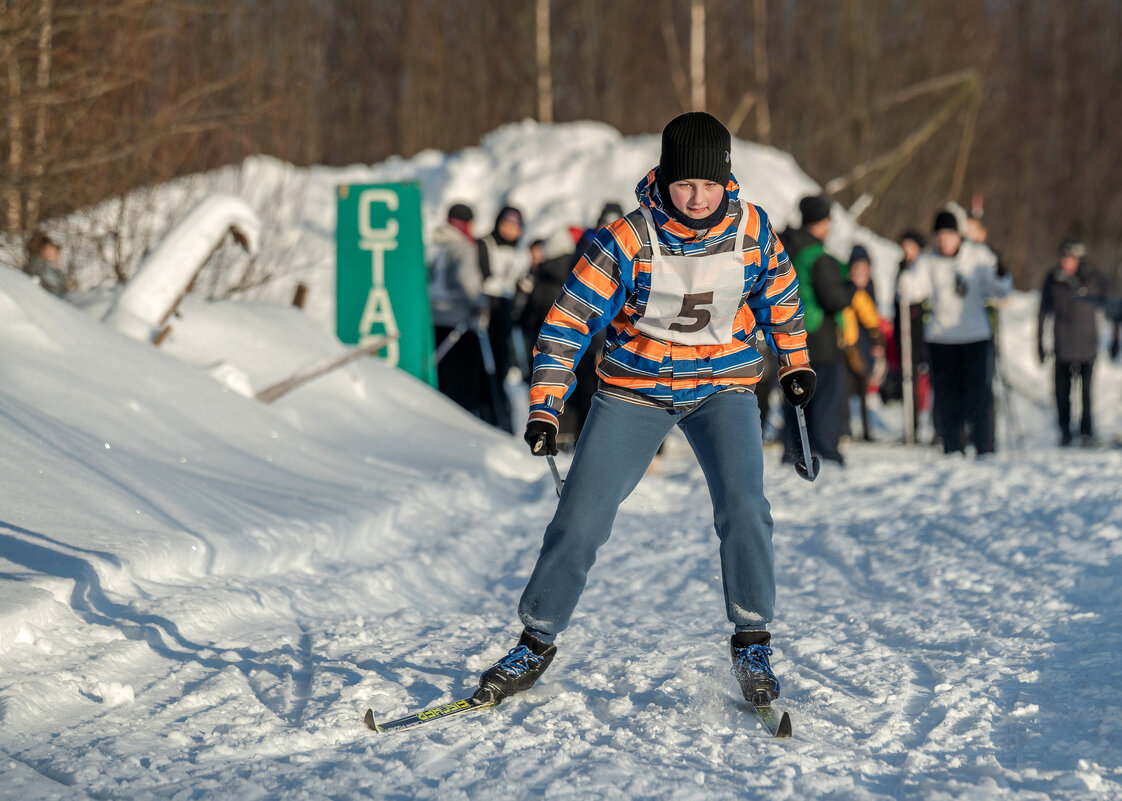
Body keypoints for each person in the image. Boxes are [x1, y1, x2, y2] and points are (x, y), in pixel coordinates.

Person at [472, 112, 813, 709]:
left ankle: (753, 638)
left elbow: (780, 299)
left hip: (723, 388)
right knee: (581, 516)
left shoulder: (752, 230)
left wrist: (796, 364)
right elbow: (568, 321)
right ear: (665, 178)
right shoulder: (628, 238)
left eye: (709, 185)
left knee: (745, 506)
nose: (698, 198)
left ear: (726, 181)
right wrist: (546, 406)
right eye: (685, 185)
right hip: (636, 390)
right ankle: (535, 639)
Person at [898, 209, 1012, 456]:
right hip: (941, 338)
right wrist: (905, 270)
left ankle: (984, 446)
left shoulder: (977, 256)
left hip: (975, 336)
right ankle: (952, 446)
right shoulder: (928, 261)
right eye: (940, 236)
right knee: (947, 396)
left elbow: (1000, 289)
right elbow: (909, 292)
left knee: (978, 394)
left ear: (958, 236)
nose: (945, 242)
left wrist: (1001, 272)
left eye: (949, 236)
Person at [779, 194, 854, 465]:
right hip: (820, 335)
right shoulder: (818, 256)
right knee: (825, 395)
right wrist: (852, 286)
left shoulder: (787, 247)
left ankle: (793, 448)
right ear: (820, 222)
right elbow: (834, 300)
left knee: (796, 390)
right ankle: (824, 446)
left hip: (792, 331)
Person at [429, 203, 495, 425]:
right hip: (457, 323)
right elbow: (468, 282)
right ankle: (461, 426)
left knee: (441, 378)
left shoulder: (435, 245)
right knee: (462, 385)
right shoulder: (462, 247)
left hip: (432, 320)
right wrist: (482, 303)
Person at [1037, 238, 1105, 446]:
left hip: (1087, 345)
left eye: (1070, 258)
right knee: (1061, 392)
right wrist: (1039, 341)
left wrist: (1115, 339)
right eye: (1063, 258)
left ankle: (1087, 431)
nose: (1066, 262)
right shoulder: (1053, 279)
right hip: (1063, 345)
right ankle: (1064, 430)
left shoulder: (1092, 279)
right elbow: (1042, 311)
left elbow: (1110, 304)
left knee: (1086, 393)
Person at [478, 206, 531, 433]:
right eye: (506, 224)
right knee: (484, 363)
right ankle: (487, 410)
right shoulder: (486, 244)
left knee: (504, 363)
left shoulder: (520, 252)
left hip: (507, 310)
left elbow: (521, 280)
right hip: (488, 306)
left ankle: (502, 414)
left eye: (515, 226)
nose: (510, 230)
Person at [841, 245, 885, 441]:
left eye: (863, 269)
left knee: (863, 386)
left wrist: (877, 341)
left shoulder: (870, 288)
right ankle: (846, 427)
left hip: (864, 344)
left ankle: (866, 428)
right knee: (845, 388)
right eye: (856, 269)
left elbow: (872, 319)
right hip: (847, 343)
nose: (860, 274)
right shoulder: (847, 289)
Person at [24, 232, 70, 297]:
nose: (58, 255)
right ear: (43, 251)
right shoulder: (43, 273)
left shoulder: (55, 274)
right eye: (54, 250)